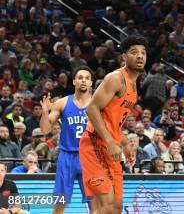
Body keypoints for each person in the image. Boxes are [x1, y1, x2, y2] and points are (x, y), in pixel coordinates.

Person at [79, 35, 147, 214]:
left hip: (112, 145)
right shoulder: (116, 78)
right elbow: (92, 109)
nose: (140, 56)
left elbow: (113, 121)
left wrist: (124, 143)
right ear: (124, 56)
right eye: (134, 52)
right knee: (106, 206)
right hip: (95, 143)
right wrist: (110, 142)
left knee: (116, 208)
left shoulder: (133, 85)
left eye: (143, 53)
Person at [40, 66, 93, 214]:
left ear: (91, 83)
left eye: (87, 78)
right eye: (80, 77)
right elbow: (45, 130)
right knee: (60, 204)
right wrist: (45, 112)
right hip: (67, 156)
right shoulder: (62, 103)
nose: (83, 80)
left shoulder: (97, 104)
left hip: (89, 156)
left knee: (95, 204)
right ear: (74, 81)